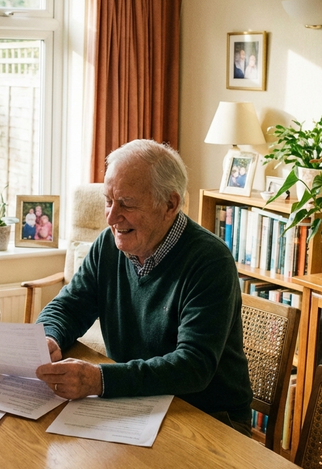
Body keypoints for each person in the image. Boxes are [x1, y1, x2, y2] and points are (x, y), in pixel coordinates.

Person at [34, 139, 253, 436]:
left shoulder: (209, 261)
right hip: (139, 404)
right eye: (108, 201)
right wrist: (49, 337)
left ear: (170, 204)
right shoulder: (108, 246)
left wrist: (99, 380)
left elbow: (192, 366)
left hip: (207, 418)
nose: (111, 217)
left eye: (126, 203)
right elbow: (69, 306)